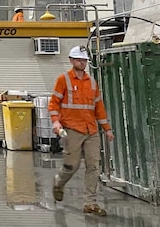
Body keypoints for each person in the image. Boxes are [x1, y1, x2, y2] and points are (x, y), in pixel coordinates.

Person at [49, 45, 114, 216]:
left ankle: (90, 203)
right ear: (71, 61)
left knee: (93, 166)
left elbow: (99, 107)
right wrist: (56, 122)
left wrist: (106, 129)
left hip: (91, 130)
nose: (82, 63)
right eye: (79, 60)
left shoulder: (92, 83)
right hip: (72, 129)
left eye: (84, 60)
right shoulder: (63, 80)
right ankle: (59, 182)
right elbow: (54, 103)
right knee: (72, 166)